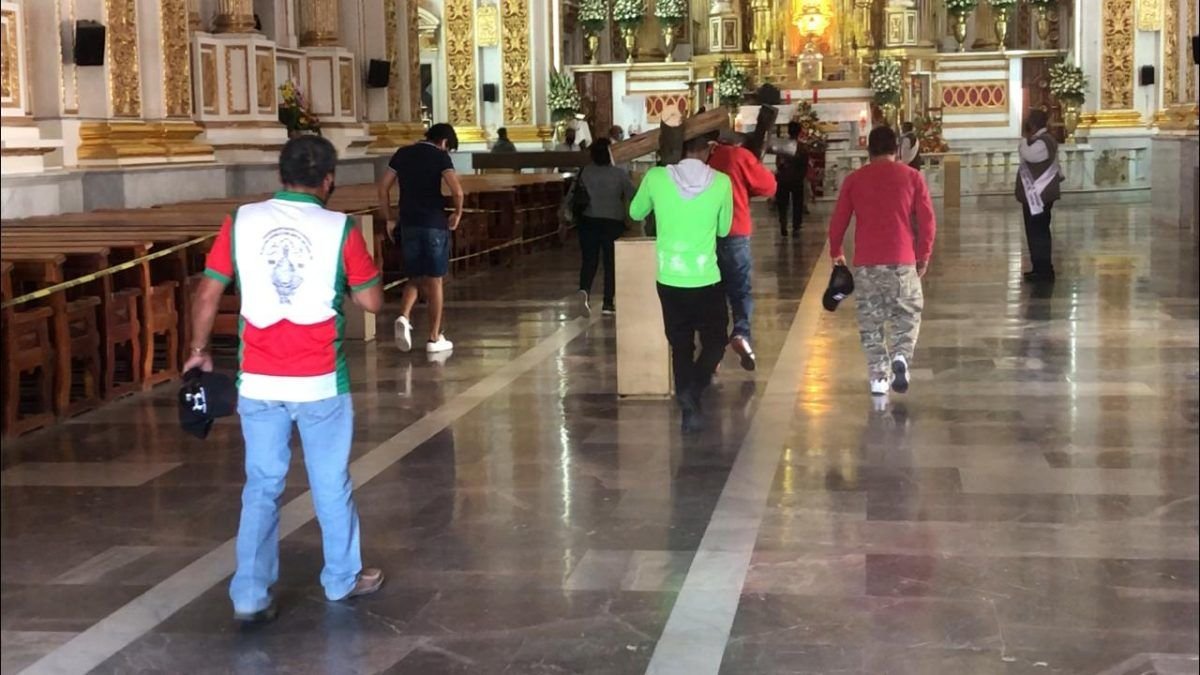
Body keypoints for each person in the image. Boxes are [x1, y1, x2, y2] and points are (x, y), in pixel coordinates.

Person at [184, 136, 386, 623]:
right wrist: (348, 283)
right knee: (330, 482)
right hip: (320, 379)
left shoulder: (241, 221)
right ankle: (341, 579)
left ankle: (249, 593)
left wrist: (198, 352)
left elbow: (207, 294)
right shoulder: (340, 228)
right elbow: (372, 301)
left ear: (280, 176)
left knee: (261, 484)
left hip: (258, 379)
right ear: (329, 180)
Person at [629, 132, 733, 432]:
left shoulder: (656, 177)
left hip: (670, 277)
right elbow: (724, 229)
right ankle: (695, 388)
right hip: (706, 278)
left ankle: (689, 412)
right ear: (708, 150)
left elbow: (635, 212)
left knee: (681, 345)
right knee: (715, 341)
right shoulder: (722, 182)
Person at [828, 126, 936, 397]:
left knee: (870, 323)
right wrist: (924, 255)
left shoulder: (854, 179)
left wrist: (836, 251)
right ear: (896, 149)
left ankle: (878, 377)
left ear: (869, 150)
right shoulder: (912, 177)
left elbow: (839, 219)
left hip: (866, 264)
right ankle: (901, 355)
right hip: (902, 260)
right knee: (908, 314)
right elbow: (927, 222)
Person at [377, 123, 464, 354]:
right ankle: (434, 338)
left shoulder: (403, 153)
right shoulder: (440, 157)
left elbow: (383, 187)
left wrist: (389, 218)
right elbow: (457, 191)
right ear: (444, 142)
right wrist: (457, 213)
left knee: (415, 275)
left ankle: (404, 316)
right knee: (435, 280)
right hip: (433, 223)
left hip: (408, 222)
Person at [708, 129, 777, 371]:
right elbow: (769, 186)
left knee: (713, 293)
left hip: (706, 234)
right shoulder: (738, 156)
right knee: (740, 291)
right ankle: (741, 333)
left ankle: (713, 351)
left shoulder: (704, 157)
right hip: (735, 230)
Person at [569, 138, 634, 315]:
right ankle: (608, 303)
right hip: (613, 222)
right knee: (610, 263)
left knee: (589, 260)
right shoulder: (619, 173)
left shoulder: (584, 172)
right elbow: (632, 194)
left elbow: (572, 195)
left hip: (588, 220)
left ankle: (584, 290)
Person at [1015, 109, 1063, 282]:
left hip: (1039, 195)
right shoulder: (1040, 140)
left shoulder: (1043, 141)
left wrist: (1023, 140)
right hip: (1035, 194)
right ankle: (1038, 267)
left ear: (1034, 124)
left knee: (1038, 232)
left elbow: (1030, 155)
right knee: (1035, 231)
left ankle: (1044, 270)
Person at [770, 120, 809, 236]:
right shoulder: (802, 147)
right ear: (799, 132)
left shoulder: (783, 146)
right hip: (797, 179)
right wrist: (801, 176)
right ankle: (796, 226)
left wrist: (782, 170)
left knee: (783, 204)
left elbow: (778, 162)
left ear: (788, 131)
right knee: (797, 203)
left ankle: (783, 224)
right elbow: (804, 164)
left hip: (783, 178)